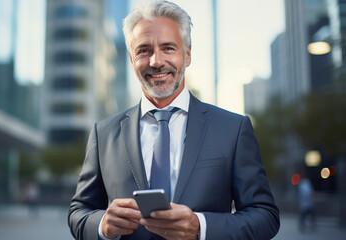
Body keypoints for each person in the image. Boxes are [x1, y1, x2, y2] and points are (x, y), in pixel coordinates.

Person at [68, 1, 279, 239]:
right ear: (131, 59)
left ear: (187, 54)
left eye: (168, 48)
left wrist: (201, 226)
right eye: (144, 50)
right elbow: (79, 212)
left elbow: (265, 216)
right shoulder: (103, 134)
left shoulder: (233, 129)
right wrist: (102, 224)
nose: (156, 61)